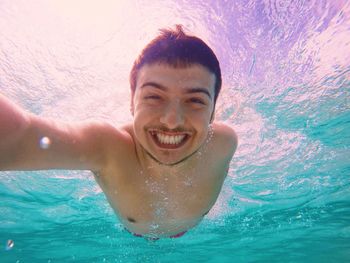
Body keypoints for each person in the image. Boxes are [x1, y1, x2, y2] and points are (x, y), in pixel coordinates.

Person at [0, 25, 238, 240]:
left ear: (213, 113)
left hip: (190, 230)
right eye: (154, 96)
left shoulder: (224, 143)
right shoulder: (108, 148)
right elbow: (21, 136)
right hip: (135, 232)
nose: (172, 121)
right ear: (132, 103)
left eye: (195, 100)